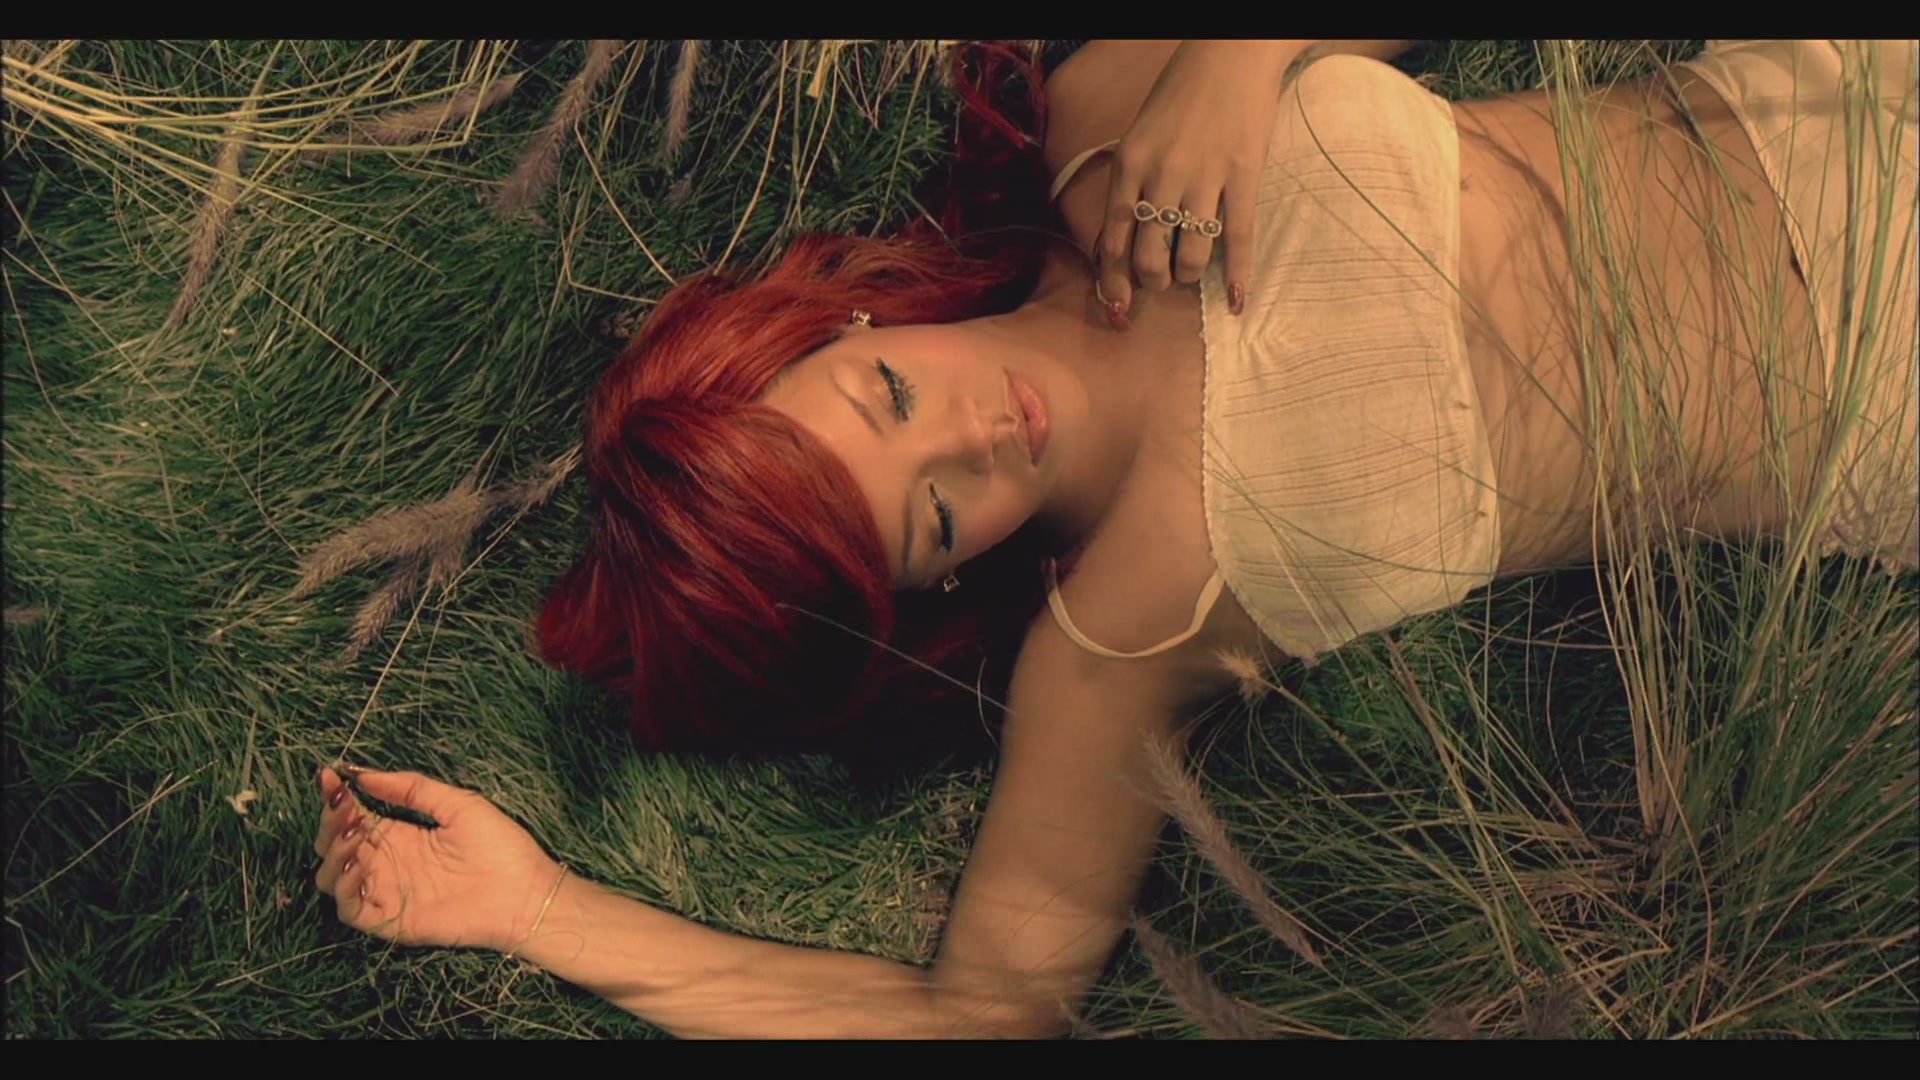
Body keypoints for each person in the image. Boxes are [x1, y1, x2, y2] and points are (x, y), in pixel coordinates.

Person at [311, 39, 1918, 1037]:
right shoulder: (1125, 638)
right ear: (940, 583)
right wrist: (544, 911)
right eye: (935, 514)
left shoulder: (1093, 135)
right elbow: (984, 1017)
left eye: (887, 397)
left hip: (1832, 92)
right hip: (1887, 397)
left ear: (845, 324)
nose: (978, 434)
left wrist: (1236, 56)